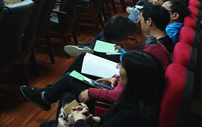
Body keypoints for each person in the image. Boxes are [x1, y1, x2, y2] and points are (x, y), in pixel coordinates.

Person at [20, 15, 170, 113]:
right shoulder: (151, 47)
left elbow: (122, 95)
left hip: (128, 104)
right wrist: (116, 78)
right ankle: (47, 95)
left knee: (69, 83)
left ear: (132, 39)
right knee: (70, 82)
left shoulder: (147, 56)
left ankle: (47, 96)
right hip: (124, 91)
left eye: (122, 45)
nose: (122, 48)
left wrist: (91, 92)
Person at [68, 51, 164, 127]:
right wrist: (92, 119)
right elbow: (110, 118)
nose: (119, 70)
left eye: (121, 66)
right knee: (68, 95)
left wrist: (79, 120)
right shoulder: (136, 95)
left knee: (68, 91)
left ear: (133, 76)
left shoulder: (131, 112)